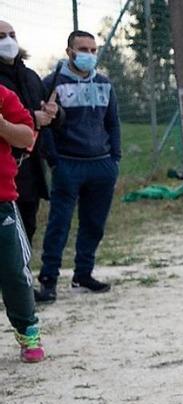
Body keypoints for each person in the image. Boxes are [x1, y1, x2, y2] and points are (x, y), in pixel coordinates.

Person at [37, 30, 118, 302]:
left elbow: (113, 123)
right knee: (59, 224)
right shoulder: (52, 84)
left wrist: (114, 158)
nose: (89, 55)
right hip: (68, 165)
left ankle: (83, 274)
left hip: (101, 165)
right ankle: (48, 280)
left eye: (93, 50)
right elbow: (45, 126)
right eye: (83, 49)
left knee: (94, 223)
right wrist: (54, 160)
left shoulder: (105, 84)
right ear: (69, 51)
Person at [0, 20, 60, 244]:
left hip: (31, 167)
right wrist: (32, 118)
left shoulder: (30, 76)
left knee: (27, 229)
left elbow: (51, 112)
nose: (8, 41)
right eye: (1, 36)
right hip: (7, 166)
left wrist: (55, 113)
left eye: (12, 35)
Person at [0, 81, 44, 361]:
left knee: (15, 271)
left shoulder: (3, 95)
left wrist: (1, 124)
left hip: (1, 201)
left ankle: (28, 330)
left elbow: (27, 136)